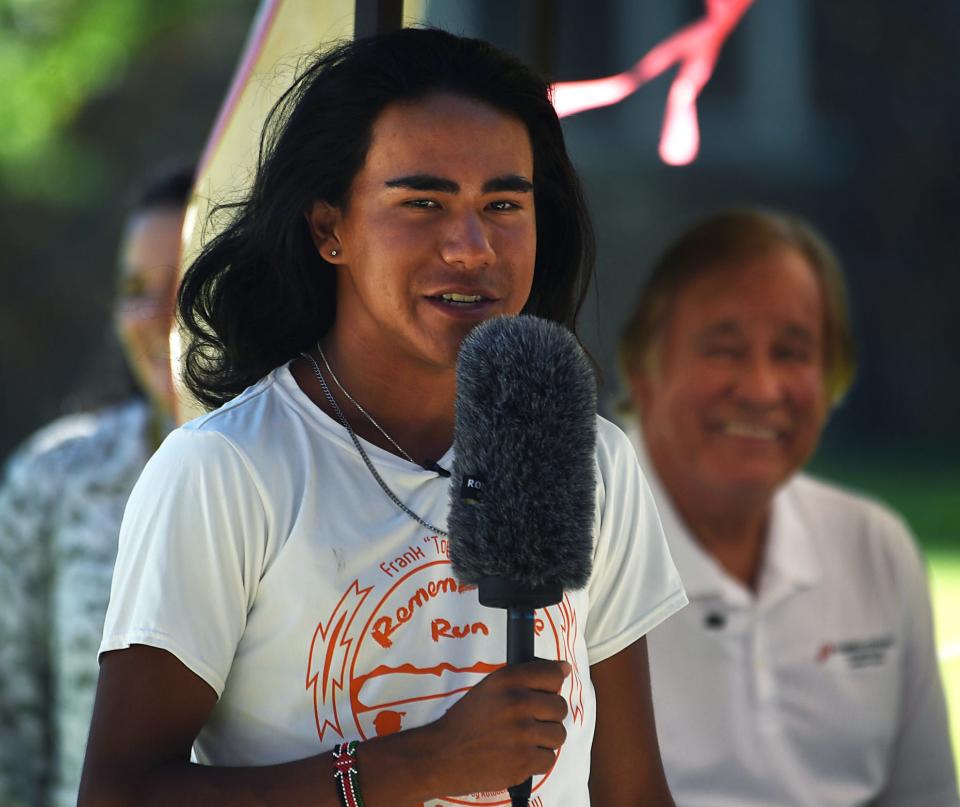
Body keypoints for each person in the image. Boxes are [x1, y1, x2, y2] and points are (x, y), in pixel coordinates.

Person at [79, 28, 687, 807]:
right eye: (423, 202)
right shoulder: (226, 472)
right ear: (330, 227)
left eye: (503, 203)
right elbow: (116, 795)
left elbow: (632, 790)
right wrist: (421, 764)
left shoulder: (589, 457)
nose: (471, 247)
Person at [618, 208, 958, 806]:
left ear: (834, 379)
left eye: (792, 352)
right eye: (724, 349)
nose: (761, 388)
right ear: (642, 370)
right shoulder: (571, 551)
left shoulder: (876, 546)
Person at [0, 163, 193, 807]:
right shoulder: (54, 478)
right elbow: (10, 732)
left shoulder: (320, 475)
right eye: (134, 287)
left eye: (185, 282)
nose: (153, 314)